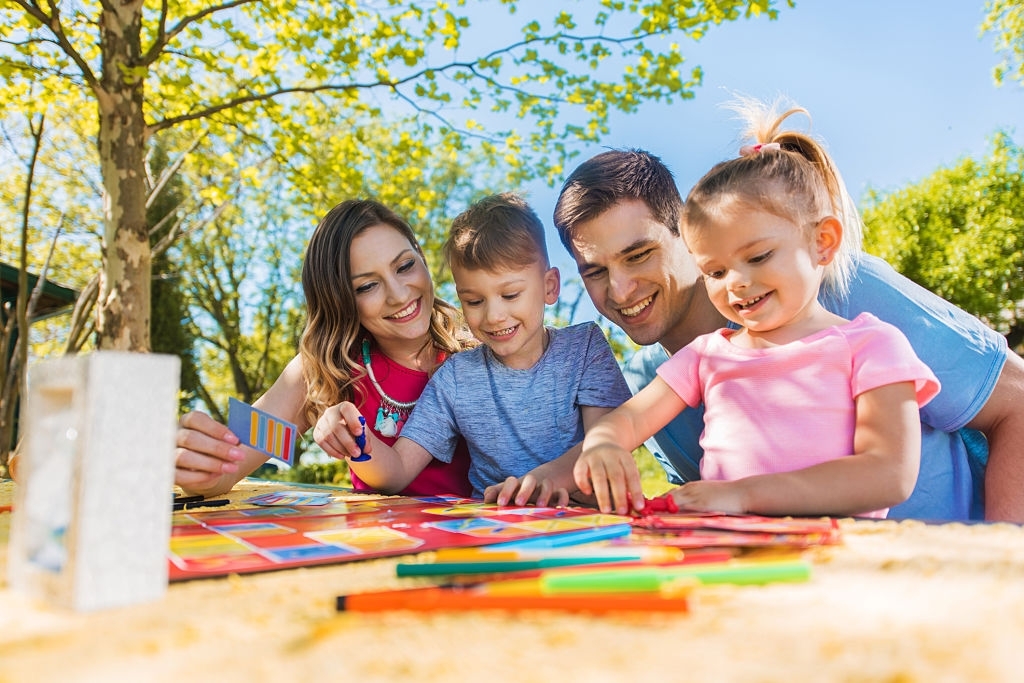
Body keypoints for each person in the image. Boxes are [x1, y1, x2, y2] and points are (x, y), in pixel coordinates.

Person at [552, 100, 1024, 522]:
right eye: (594, 271)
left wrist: (1005, 562)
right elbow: (687, 478)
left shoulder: (852, 304)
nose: (620, 289)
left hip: (935, 564)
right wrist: (596, 455)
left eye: (638, 255)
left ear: (684, 239)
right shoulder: (667, 370)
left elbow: (1014, 402)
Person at [317, 193, 632, 502]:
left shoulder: (584, 349)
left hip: (589, 520)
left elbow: (606, 440)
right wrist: (355, 439)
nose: (494, 316)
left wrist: (541, 481)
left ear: (549, 287)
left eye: (510, 295)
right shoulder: (454, 377)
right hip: (495, 526)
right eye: (474, 301)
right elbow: (397, 471)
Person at [174, 199, 473, 498]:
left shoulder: (481, 351)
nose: (398, 295)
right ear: (339, 300)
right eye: (366, 286)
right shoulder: (323, 370)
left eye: (405, 266)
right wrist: (196, 464)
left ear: (421, 257)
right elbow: (227, 466)